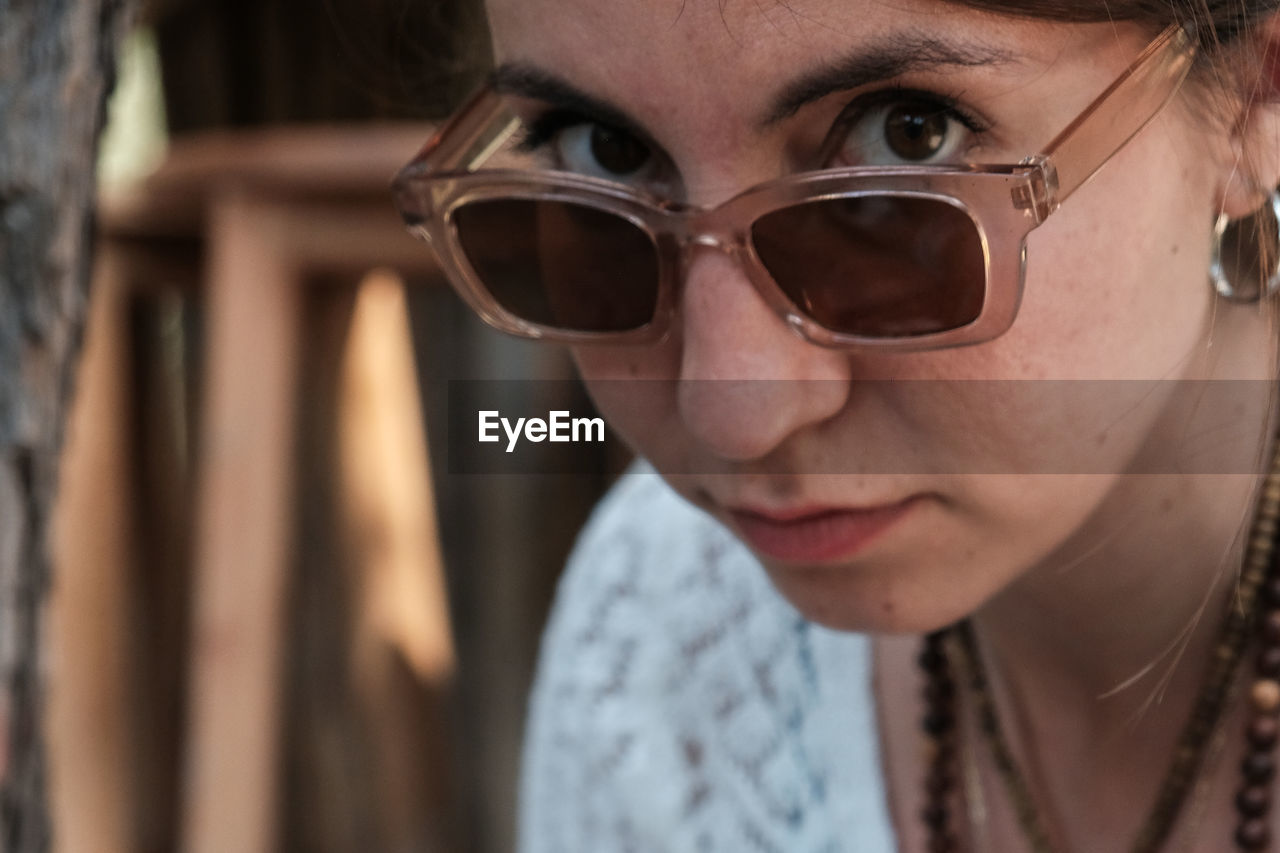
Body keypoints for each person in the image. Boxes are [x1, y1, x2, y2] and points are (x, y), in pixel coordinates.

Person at [395, 0, 1280, 849]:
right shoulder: (663, 634)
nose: (735, 413)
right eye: (608, 152)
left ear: (1255, 99)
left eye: (908, 135)